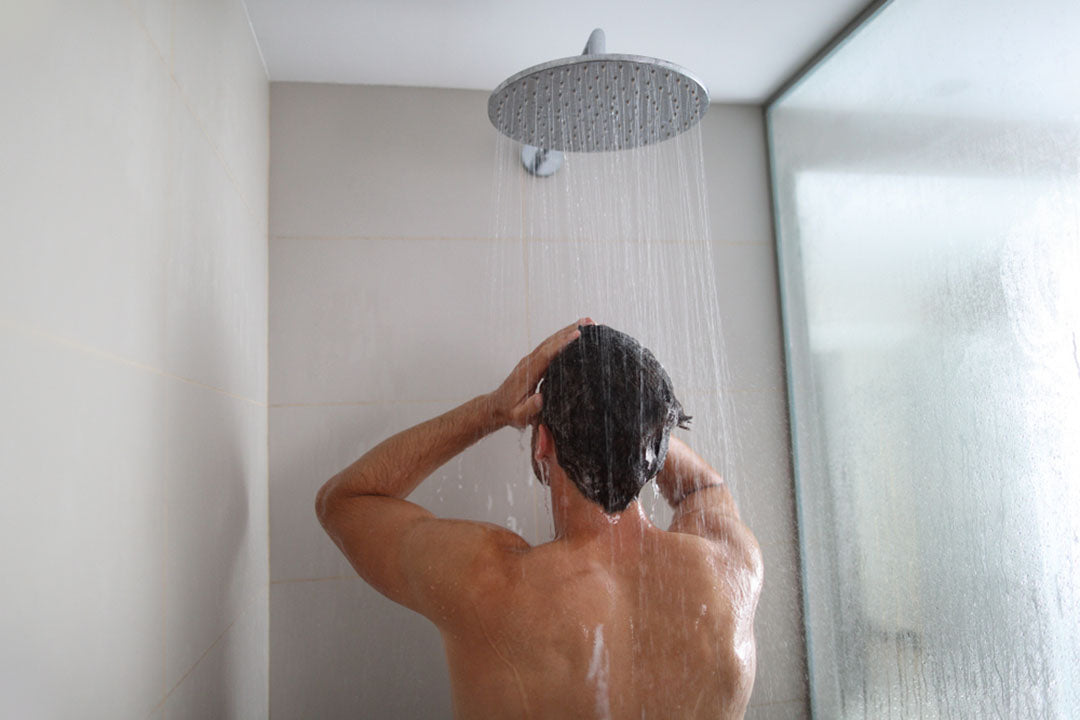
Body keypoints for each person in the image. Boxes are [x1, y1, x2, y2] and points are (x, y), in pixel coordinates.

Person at [316, 320, 763, 719]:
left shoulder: (487, 582)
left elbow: (345, 502)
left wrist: (492, 410)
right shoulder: (730, 570)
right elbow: (705, 487)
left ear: (541, 442)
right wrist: (631, 424)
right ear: (658, 445)